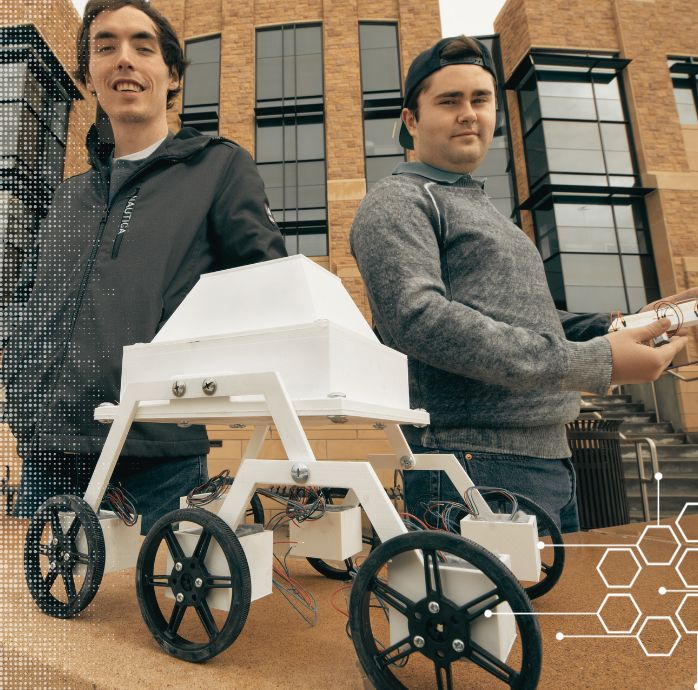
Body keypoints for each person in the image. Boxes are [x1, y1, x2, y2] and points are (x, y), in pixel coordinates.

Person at [350, 35, 695, 532]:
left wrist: (622, 325)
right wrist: (598, 360)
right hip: (472, 459)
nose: (468, 113)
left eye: (480, 99)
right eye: (448, 101)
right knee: (491, 614)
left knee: (551, 612)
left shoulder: (481, 206)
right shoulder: (398, 203)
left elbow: (527, 320)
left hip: (547, 455)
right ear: (410, 120)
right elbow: (419, 320)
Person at [0, 0, 286, 532]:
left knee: (162, 611)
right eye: (105, 47)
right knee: (49, 613)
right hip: (49, 455)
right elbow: (23, 300)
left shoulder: (220, 168)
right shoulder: (67, 197)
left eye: (142, 45)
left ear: (171, 73)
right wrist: (20, 393)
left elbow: (268, 287)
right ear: (88, 79)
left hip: (160, 458)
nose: (123, 59)